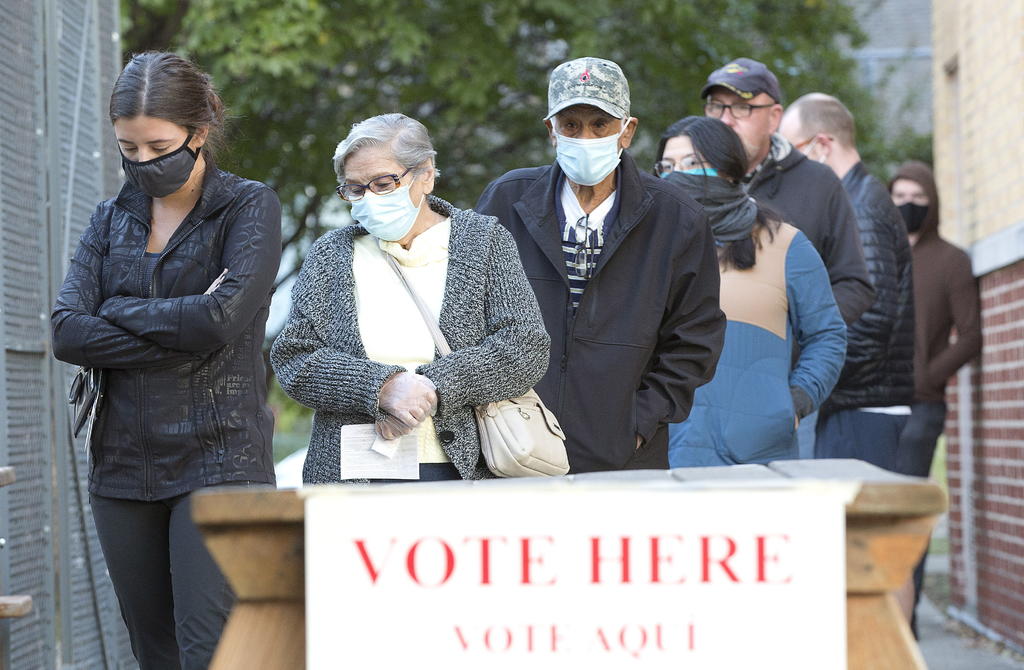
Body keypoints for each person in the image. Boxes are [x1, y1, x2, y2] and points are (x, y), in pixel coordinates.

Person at [51, 52, 282, 669]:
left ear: (198, 132)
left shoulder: (249, 207)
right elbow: (68, 332)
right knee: (153, 651)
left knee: (211, 649)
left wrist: (116, 309)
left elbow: (220, 320)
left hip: (222, 457)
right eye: (128, 149)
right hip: (122, 461)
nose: (143, 162)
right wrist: (184, 324)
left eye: (158, 147)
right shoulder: (110, 218)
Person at [476, 57, 726, 473]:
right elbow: (468, 314)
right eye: (571, 125)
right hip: (514, 448)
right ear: (551, 131)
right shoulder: (507, 199)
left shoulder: (676, 218)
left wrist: (639, 423)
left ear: (627, 131)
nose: (585, 137)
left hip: (625, 458)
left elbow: (696, 338)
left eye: (599, 124)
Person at [271, 113, 550, 484]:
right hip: (354, 474)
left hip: (464, 472)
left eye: (383, 183)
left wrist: (435, 385)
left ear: (426, 175)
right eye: (355, 189)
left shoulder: (484, 241)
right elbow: (294, 358)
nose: (369, 198)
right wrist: (382, 387)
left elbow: (526, 345)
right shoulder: (331, 254)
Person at [700, 58, 873, 458]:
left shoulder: (818, 183)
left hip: (780, 390)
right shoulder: (686, 180)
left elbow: (855, 283)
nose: (726, 119)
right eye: (716, 107)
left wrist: (795, 337)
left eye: (742, 107)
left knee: (778, 497)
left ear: (774, 116)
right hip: (696, 396)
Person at [656, 117, 846, 466]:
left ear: (729, 169)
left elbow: (827, 336)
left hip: (757, 457)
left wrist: (795, 402)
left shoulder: (785, 245)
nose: (677, 176)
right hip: (663, 454)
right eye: (666, 167)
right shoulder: (647, 248)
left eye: (693, 163)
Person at [780, 93, 915, 471]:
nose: (785, 166)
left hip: (859, 410)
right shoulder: (855, 200)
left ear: (822, 145)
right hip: (856, 404)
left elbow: (869, 320)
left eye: (791, 152)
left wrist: (809, 380)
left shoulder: (859, 207)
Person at [890, 160, 981, 635]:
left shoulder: (951, 260)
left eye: (917, 198)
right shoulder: (876, 253)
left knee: (906, 513)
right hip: (872, 403)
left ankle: (906, 622)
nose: (908, 205)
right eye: (900, 196)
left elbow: (971, 336)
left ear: (933, 202)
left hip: (921, 408)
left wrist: (928, 375)